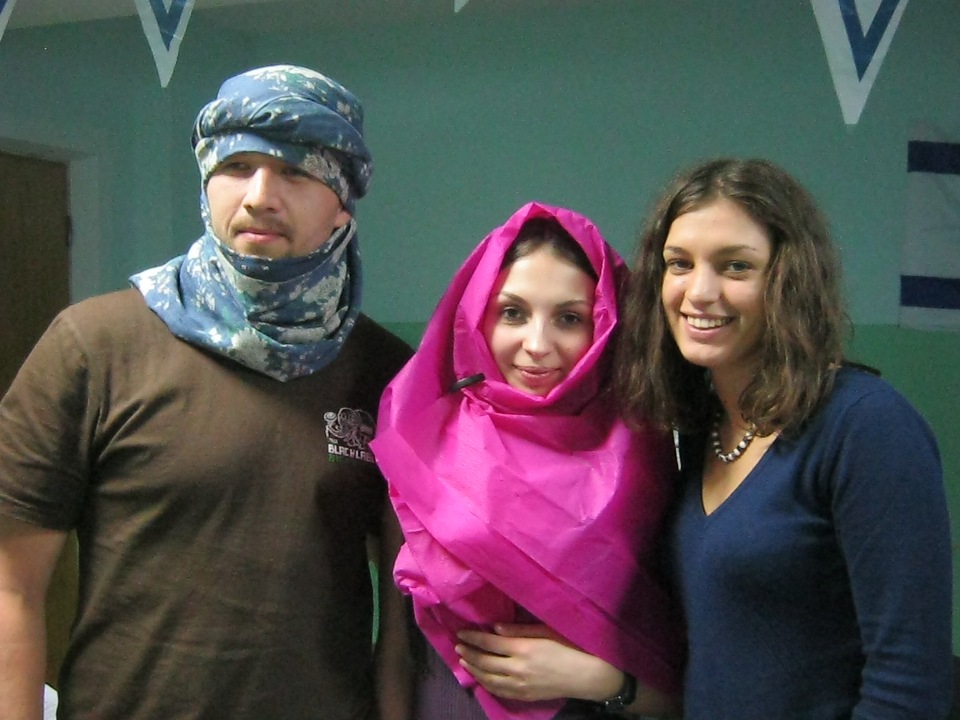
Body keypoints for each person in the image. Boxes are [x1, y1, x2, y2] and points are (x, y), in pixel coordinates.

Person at [0, 65, 414, 720]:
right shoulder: (95, 346)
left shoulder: (389, 374)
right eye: (237, 166)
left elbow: (403, 625)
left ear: (342, 200)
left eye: (294, 172)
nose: (259, 196)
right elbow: (12, 590)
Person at [615, 157, 954, 719]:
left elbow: (909, 686)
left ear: (788, 280)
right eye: (680, 263)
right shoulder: (700, 431)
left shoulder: (866, 426)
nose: (699, 291)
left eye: (736, 266)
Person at [370, 202, 683, 720]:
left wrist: (598, 678)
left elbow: (686, 690)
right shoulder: (422, 447)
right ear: (476, 316)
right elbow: (397, 652)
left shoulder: (646, 463)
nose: (537, 345)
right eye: (512, 312)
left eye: (570, 318)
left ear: (606, 327)